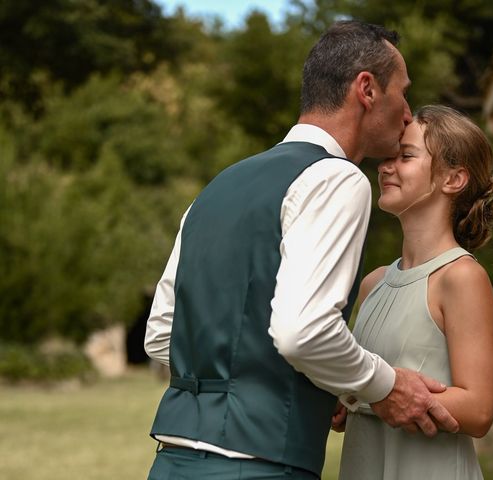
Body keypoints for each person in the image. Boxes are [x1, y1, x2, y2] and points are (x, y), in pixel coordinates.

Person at [144, 22, 459, 480]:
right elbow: (302, 333)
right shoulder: (337, 178)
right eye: (403, 94)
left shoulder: (215, 189)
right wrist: (384, 386)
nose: (408, 114)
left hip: (171, 462)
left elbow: (161, 334)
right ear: (367, 89)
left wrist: (307, 380)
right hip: (259, 465)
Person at [336, 105, 493, 480]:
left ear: (454, 179)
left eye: (405, 156)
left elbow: (479, 409)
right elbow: (362, 385)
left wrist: (377, 394)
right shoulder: (372, 283)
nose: (384, 167)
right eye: (388, 157)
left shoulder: (461, 278)